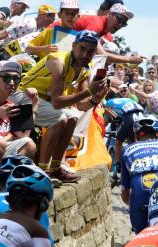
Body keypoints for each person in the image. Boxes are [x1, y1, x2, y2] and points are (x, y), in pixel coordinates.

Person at [19, 30, 108, 182]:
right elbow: (57, 102)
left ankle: (55, 168)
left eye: (90, 51)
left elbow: (80, 106)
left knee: (72, 117)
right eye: (82, 48)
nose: (85, 54)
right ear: (73, 46)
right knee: (59, 118)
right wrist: (88, 92)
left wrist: (95, 99)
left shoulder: (85, 69)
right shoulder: (58, 62)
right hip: (24, 95)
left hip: (43, 100)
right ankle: (42, 171)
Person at [120, 115, 158, 233]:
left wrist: (132, 204)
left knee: (140, 233)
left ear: (136, 134)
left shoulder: (127, 149)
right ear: (156, 133)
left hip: (139, 191)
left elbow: (125, 193)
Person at [0, 61, 38, 169]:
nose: (12, 82)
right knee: (0, 141)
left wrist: (35, 104)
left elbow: (23, 135)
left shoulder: (11, 105)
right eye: (6, 78)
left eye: (16, 79)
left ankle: (11, 180)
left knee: (28, 143)